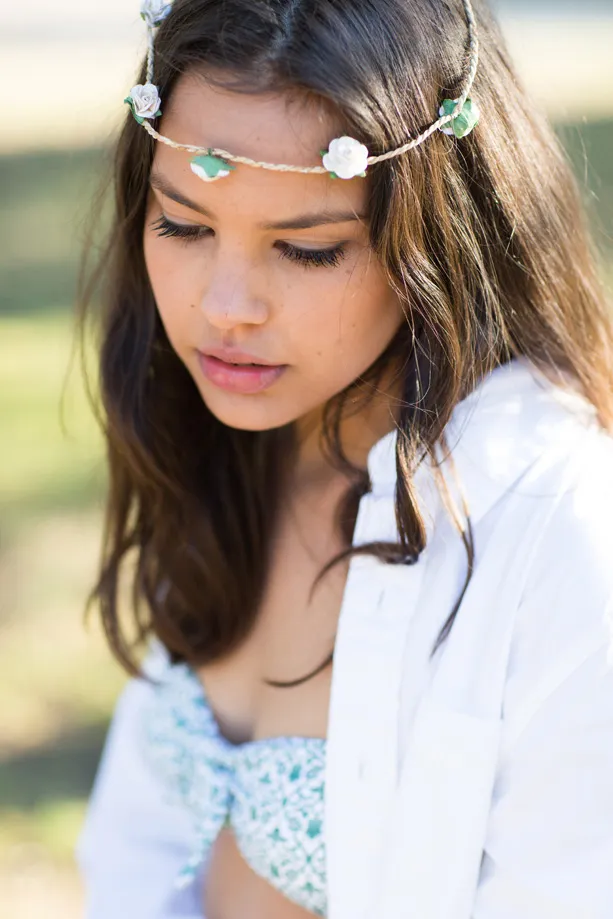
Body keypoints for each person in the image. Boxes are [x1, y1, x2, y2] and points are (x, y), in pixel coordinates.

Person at [75, 0, 613, 917]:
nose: (228, 305)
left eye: (306, 248)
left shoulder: (557, 526)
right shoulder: (231, 446)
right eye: (183, 225)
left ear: (440, 235)